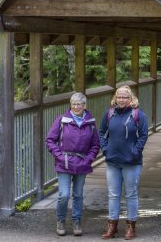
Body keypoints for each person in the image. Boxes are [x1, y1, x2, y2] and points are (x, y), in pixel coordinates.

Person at [46, 92, 100, 236]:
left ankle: (77, 221)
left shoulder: (90, 122)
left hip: (82, 162)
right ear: (70, 105)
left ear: (84, 106)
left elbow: (96, 144)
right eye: (74, 104)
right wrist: (59, 156)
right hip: (64, 162)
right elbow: (50, 140)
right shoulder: (62, 120)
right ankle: (61, 220)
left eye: (79, 104)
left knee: (78, 194)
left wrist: (89, 159)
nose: (76, 107)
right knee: (64, 194)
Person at [99, 85, 148, 240]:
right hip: (113, 161)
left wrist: (135, 152)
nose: (121, 100)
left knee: (131, 194)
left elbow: (143, 136)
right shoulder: (109, 114)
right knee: (113, 195)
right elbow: (101, 133)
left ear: (130, 98)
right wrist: (105, 149)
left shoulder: (138, 115)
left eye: (124, 97)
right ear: (115, 98)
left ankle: (130, 227)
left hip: (131, 161)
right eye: (119, 97)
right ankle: (112, 226)